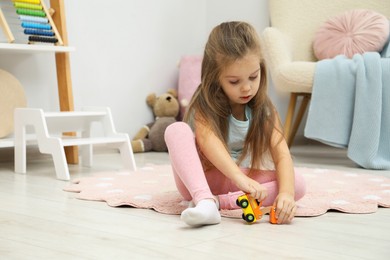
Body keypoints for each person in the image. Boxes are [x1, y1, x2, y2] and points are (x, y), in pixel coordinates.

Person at [164, 21, 306, 227]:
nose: (247, 88)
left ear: (261, 69)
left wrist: (286, 195)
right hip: (198, 181)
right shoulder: (205, 101)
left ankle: (218, 204)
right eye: (234, 82)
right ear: (216, 78)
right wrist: (239, 178)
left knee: (297, 184)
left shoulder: (262, 108)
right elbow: (207, 140)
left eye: (253, 77)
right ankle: (204, 199)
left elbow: (281, 153)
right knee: (176, 130)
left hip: (232, 182)